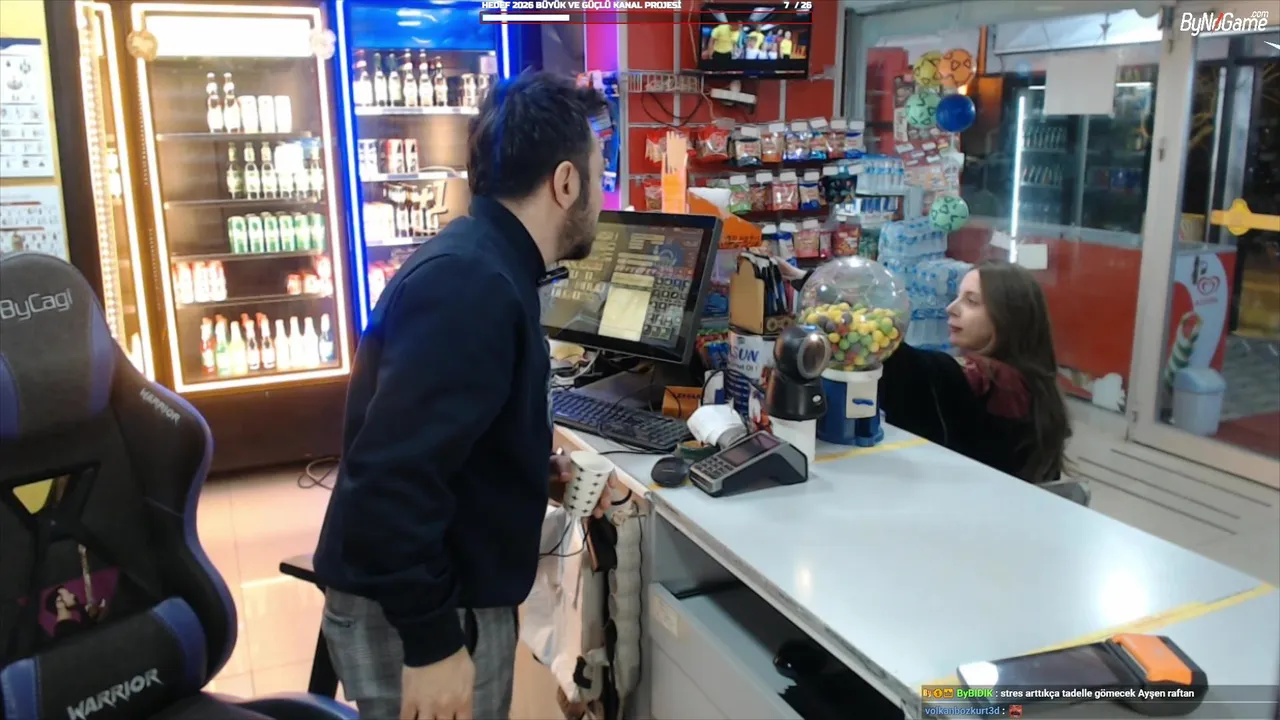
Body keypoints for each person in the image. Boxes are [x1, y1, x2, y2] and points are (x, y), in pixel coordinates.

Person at [313, 71, 612, 720]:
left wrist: (524, 469)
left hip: (437, 590)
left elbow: (445, 437)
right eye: (599, 173)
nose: (602, 193)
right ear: (566, 183)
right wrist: (431, 643)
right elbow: (390, 480)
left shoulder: (485, 263)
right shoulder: (473, 286)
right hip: (422, 611)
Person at [780, 259, 1071, 483]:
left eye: (971, 302)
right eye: (957, 297)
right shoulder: (1032, 381)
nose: (951, 308)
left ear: (1009, 318)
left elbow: (919, 371)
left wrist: (838, 314)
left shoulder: (1002, 383)